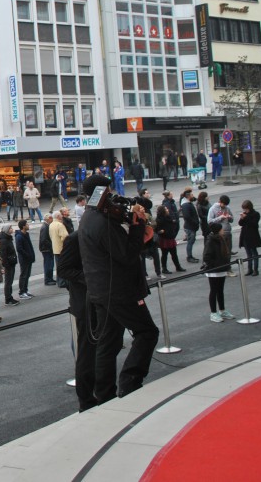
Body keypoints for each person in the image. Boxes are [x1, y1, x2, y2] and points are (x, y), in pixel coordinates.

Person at [79, 174, 159, 403]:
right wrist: (137, 226)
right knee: (147, 332)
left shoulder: (90, 217)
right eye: (108, 192)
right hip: (119, 290)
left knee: (109, 342)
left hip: (101, 290)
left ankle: (104, 393)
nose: (112, 196)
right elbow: (126, 254)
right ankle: (130, 381)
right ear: (100, 192)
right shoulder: (102, 221)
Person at [56, 231, 97, 411]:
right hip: (85, 302)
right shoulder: (74, 239)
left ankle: (103, 390)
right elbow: (63, 269)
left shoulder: (101, 233)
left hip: (103, 298)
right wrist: (88, 278)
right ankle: (87, 399)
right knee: (87, 349)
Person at [202, 223, 235, 322]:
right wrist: (216, 264)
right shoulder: (211, 240)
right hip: (214, 269)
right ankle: (213, 313)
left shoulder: (221, 238)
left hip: (222, 268)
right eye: (221, 229)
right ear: (218, 230)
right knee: (214, 290)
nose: (223, 230)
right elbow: (206, 256)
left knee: (220, 290)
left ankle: (222, 310)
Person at [155, 205, 185, 274]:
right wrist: (161, 231)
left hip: (171, 237)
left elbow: (172, 224)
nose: (167, 210)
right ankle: (164, 268)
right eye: (166, 209)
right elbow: (157, 229)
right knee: (164, 254)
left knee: (174, 254)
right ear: (163, 211)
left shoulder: (168, 217)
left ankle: (178, 266)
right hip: (164, 238)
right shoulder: (159, 219)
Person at [14, 219, 36, 299]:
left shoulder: (26, 234)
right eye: (27, 224)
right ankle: (21, 292)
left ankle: (25, 290)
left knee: (27, 275)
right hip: (24, 259)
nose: (28, 225)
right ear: (23, 226)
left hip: (28, 258)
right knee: (24, 275)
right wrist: (27, 255)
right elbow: (19, 249)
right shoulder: (19, 236)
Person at [0, 225, 18, 306]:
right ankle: (8, 298)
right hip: (9, 264)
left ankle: (10, 296)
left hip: (11, 262)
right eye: (10, 228)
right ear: (7, 230)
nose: (12, 229)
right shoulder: (4, 240)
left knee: (10, 281)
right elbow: (3, 254)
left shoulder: (8, 238)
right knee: (8, 281)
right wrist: (6, 265)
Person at [180, 189, 200, 263]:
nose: (193, 196)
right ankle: (189, 256)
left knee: (191, 241)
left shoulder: (188, 203)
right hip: (190, 227)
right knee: (190, 242)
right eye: (191, 195)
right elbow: (187, 216)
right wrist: (195, 222)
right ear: (188, 196)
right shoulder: (186, 205)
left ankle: (190, 256)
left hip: (191, 226)